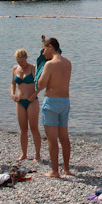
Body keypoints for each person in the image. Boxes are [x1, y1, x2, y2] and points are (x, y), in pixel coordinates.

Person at [35, 37, 72, 177]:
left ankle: (55, 170)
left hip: (51, 101)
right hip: (65, 101)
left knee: (52, 138)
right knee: (64, 137)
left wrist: (39, 71)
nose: (43, 54)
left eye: (43, 50)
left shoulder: (49, 64)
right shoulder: (68, 63)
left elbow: (41, 84)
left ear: (50, 47)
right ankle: (67, 169)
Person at [11, 48, 42, 163]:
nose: (21, 64)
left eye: (22, 61)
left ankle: (37, 155)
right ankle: (24, 153)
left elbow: (40, 85)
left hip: (32, 101)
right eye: (19, 62)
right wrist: (12, 94)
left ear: (26, 58)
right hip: (20, 101)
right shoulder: (15, 69)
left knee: (34, 128)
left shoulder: (33, 68)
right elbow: (13, 84)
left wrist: (35, 94)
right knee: (23, 128)